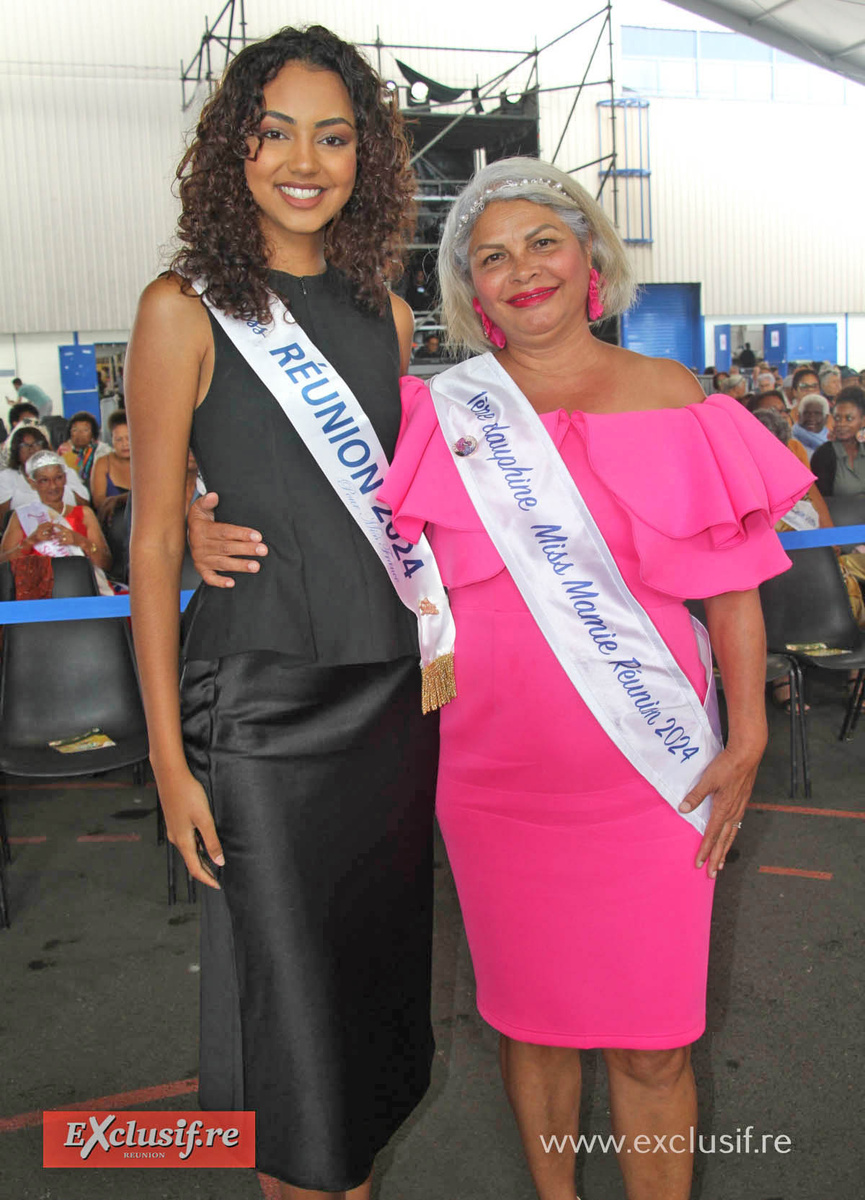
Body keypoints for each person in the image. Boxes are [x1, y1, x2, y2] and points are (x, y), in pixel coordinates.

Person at [373, 159, 812, 1200]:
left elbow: (732, 588)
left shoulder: (675, 398)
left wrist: (745, 735)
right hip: (492, 786)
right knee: (532, 1028)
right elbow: (312, 495)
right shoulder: (441, 412)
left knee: (654, 1044)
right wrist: (203, 520)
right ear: (473, 297)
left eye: (542, 243)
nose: (521, 269)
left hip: (651, 780)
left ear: (589, 265)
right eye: (492, 257)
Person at [125, 26, 441, 1200]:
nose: (304, 159)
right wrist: (167, 761)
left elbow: (396, 513)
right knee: (296, 1036)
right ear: (232, 150)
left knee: (362, 1010)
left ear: (366, 155)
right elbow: (156, 538)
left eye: (334, 134)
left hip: (391, 708)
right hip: (258, 713)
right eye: (274, 132)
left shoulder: (390, 321)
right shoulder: (181, 307)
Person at [0, 451, 111, 591]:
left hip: (81, 591)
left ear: (65, 478)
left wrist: (81, 541)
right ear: (32, 483)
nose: (53, 486)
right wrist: (30, 542)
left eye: (58, 478)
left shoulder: (84, 514)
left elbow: (106, 563)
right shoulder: (21, 516)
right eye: (44, 480)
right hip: (35, 595)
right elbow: (3, 563)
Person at [0, 425, 89, 520]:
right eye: (24, 445)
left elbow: (84, 507)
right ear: (16, 450)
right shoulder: (7, 477)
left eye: (37, 443)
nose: (32, 449)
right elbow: (3, 519)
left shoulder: (65, 472)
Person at [810, 386, 865, 496]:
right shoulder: (824, 455)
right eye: (837, 418)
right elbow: (821, 500)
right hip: (837, 512)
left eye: (849, 419)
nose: (841, 424)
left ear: (863, 421)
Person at [90, 410, 131, 509]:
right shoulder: (102, 463)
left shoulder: (147, 463)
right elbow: (98, 502)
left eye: (128, 438)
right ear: (111, 440)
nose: (124, 444)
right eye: (119, 439)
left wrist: (120, 499)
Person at [59, 411, 110, 487]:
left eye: (85, 430)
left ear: (93, 433)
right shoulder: (63, 451)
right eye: (75, 430)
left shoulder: (103, 450)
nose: (80, 434)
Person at [792, 393, 831, 459]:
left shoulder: (832, 441)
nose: (811, 418)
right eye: (807, 413)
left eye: (817, 414)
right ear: (798, 416)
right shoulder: (790, 441)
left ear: (826, 418)